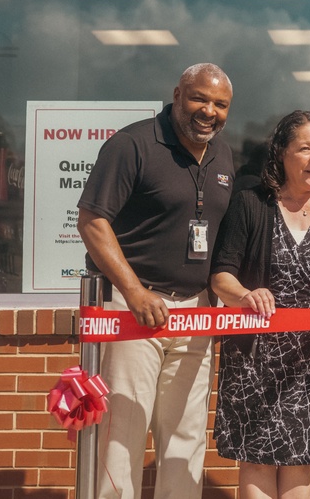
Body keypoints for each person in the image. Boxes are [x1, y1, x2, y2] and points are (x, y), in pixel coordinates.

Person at [77, 63, 234, 499]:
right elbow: (92, 221)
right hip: (132, 312)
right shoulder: (132, 144)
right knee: (121, 434)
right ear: (178, 94)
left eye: (220, 105)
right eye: (200, 98)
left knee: (186, 438)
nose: (209, 111)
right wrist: (133, 291)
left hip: (196, 314)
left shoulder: (223, 154)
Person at [209, 110, 310, 499]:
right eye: (305, 149)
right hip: (254, 356)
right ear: (281, 153)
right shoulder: (249, 204)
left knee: (301, 458)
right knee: (258, 457)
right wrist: (245, 295)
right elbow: (221, 276)